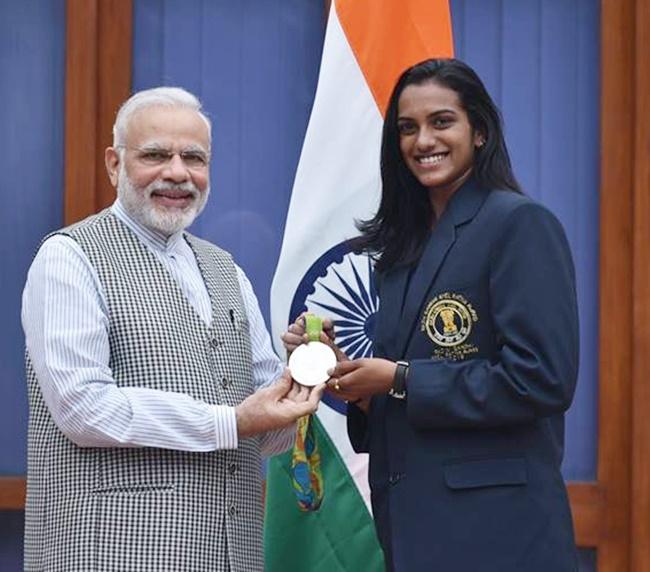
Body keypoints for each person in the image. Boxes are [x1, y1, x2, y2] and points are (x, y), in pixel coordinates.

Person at [283, 59, 579, 571]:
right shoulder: (403, 248)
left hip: (499, 537)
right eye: (407, 128)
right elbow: (410, 392)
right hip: (414, 532)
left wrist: (397, 378)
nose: (423, 140)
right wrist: (349, 377)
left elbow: (542, 380)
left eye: (441, 122)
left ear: (479, 131)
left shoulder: (520, 225)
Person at [22, 87, 323, 572]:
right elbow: (83, 408)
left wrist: (300, 380)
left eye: (194, 158)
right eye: (156, 154)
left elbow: (269, 437)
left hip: (231, 555)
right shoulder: (68, 257)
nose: (178, 173)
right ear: (114, 165)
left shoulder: (227, 270)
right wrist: (231, 421)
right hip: (109, 556)